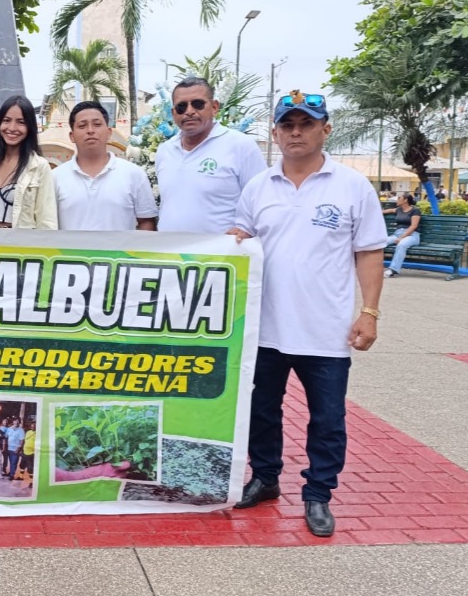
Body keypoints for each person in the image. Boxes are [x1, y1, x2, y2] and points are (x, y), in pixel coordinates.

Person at [229, 90, 384, 538]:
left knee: (328, 419)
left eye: (306, 124)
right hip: (265, 327)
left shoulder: (352, 186)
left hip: (326, 330)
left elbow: (369, 253)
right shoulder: (259, 187)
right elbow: (242, 240)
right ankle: (265, 478)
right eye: (287, 125)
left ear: (325, 129)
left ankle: (318, 494)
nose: (296, 133)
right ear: (276, 133)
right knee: (261, 411)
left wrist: (369, 311)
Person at [155, 77, 266, 233]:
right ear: (173, 113)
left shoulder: (241, 146)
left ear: (214, 107)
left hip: (221, 248)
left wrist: (247, 230)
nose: (189, 111)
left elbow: (263, 201)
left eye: (198, 104)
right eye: (181, 107)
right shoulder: (165, 150)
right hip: (169, 247)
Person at [53, 101, 158, 231]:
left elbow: (146, 221)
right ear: (72, 136)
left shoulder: (134, 174)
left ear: (108, 132)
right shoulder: (55, 177)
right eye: (82, 126)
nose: (90, 130)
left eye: (97, 124)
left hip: (121, 246)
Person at [0, 95, 57, 229]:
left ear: (30, 127)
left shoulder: (39, 166)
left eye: (21, 122)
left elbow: (47, 221)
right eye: (7, 120)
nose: (12, 128)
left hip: (21, 241)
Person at [382, 193, 421, 278]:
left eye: (399, 198)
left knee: (402, 244)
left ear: (405, 200)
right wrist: (380, 212)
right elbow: (391, 210)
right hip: (397, 234)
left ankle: (393, 270)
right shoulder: (399, 210)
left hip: (412, 235)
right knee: (381, 242)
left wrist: (401, 238)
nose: (397, 200)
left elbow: (414, 226)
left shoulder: (415, 210)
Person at [19, 420, 37, 487]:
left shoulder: (38, 434)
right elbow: (25, 441)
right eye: (32, 426)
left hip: (31, 454)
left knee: (30, 469)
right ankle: (20, 477)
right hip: (25, 452)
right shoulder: (28, 432)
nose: (33, 427)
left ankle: (32, 482)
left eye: (34, 426)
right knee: (22, 466)